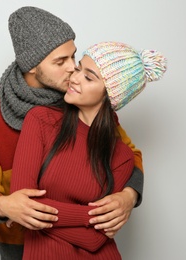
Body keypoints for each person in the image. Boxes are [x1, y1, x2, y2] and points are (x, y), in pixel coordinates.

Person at [0, 6, 144, 259]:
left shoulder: (80, 100)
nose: (72, 69)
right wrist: (2, 205)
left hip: (88, 246)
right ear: (32, 66)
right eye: (61, 62)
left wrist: (129, 196)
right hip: (21, 246)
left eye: (73, 56)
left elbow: (128, 155)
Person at [10, 41, 167, 259]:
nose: (74, 78)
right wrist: (87, 217)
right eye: (78, 68)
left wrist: (49, 213)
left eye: (88, 77)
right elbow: (24, 207)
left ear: (109, 96)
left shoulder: (121, 155)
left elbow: (96, 239)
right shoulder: (40, 121)